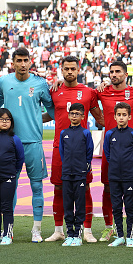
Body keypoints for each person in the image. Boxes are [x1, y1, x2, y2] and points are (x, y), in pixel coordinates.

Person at [0, 47, 55, 242]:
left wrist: (37, 118)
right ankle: (8, 231)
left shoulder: (40, 83)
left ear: (31, 62)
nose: (22, 64)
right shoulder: (4, 81)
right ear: (12, 63)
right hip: (10, 143)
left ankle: (36, 231)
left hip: (34, 143)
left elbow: (53, 111)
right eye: (18, 60)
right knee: (10, 188)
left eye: (25, 60)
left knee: (37, 187)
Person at [45, 56, 104, 243]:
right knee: (58, 187)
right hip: (59, 147)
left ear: (79, 70)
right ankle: (58, 230)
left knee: (84, 187)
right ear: (61, 70)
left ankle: (87, 230)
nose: (70, 72)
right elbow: (50, 114)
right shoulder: (54, 91)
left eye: (73, 69)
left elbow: (100, 117)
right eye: (66, 69)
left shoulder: (88, 92)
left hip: (81, 150)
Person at [95, 61, 133, 242]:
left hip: (130, 149)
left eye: (118, 72)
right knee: (108, 187)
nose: (114, 74)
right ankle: (109, 227)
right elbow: (90, 102)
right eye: (111, 72)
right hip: (111, 147)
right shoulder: (102, 91)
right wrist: (100, 118)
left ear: (126, 74)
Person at [104, 102, 133, 248]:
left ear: (129, 117)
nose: (121, 118)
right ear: (114, 116)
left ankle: (130, 236)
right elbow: (107, 154)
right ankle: (120, 236)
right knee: (116, 207)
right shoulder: (109, 134)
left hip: (129, 176)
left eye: (124, 115)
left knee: (130, 206)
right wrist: (115, 165)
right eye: (119, 115)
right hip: (114, 175)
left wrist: (129, 167)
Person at [0, 108, 24, 245]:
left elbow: (20, 159)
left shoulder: (15, 139)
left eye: (7, 119)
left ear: (11, 122)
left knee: (7, 207)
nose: (5, 122)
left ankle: (7, 235)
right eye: (1, 119)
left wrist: (12, 172)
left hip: (8, 177)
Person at [59, 103, 94, 247]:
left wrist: (82, 167)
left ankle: (78, 234)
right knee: (67, 205)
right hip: (67, 173)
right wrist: (67, 165)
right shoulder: (64, 133)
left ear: (83, 116)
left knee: (79, 204)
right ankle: (70, 234)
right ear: (68, 115)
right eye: (72, 113)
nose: (74, 116)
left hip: (80, 174)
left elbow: (89, 152)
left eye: (77, 114)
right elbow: (62, 152)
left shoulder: (85, 133)